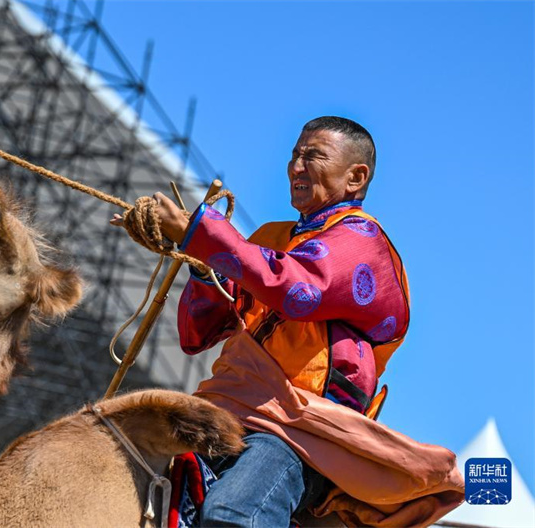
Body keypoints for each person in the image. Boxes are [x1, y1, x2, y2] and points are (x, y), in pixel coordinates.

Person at [115, 116, 410, 527]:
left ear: (355, 177)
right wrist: (203, 266)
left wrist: (198, 231)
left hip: (299, 429)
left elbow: (297, 291)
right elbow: (198, 334)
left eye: (313, 156)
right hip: (229, 407)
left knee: (233, 514)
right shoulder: (273, 238)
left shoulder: (362, 243)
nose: (296, 167)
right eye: (294, 155)